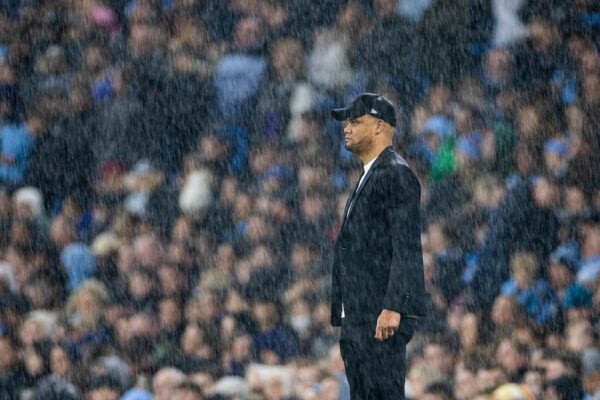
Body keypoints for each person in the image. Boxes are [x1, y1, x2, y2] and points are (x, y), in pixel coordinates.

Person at [330, 93, 426, 399]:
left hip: (377, 313)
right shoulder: (370, 174)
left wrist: (393, 306)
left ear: (379, 127)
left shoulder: (394, 173)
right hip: (361, 313)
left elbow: (406, 245)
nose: (347, 128)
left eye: (356, 121)